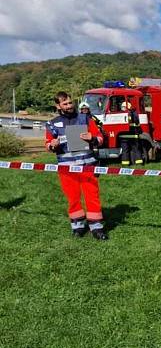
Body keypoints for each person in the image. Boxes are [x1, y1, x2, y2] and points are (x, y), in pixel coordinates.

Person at [44, 91, 108, 239]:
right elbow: (47, 145)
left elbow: (100, 138)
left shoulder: (85, 119)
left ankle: (96, 227)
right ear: (58, 106)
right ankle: (78, 226)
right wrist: (52, 145)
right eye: (65, 104)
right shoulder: (52, 123)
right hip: (66, 169)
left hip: (87, 166)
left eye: (70, 102)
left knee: (92, 196)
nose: (69, 106)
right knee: (73, 198)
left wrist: (92, 138)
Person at [118, 101, 144, 166]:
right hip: (133, 135)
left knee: (125, 150)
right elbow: (137, 122)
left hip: (123, 136)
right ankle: (139, 163)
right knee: (136, 150)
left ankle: (125, 164)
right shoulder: (134, 113)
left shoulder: (120, 114)